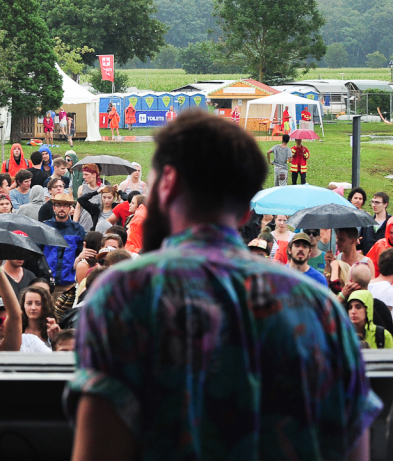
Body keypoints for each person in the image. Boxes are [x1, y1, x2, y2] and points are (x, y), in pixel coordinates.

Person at [67, 111, 381, 461]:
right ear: (246, 212)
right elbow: (355, 447)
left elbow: (99, 448)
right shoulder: (318, 306)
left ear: (167, 184)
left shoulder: (123, 295)